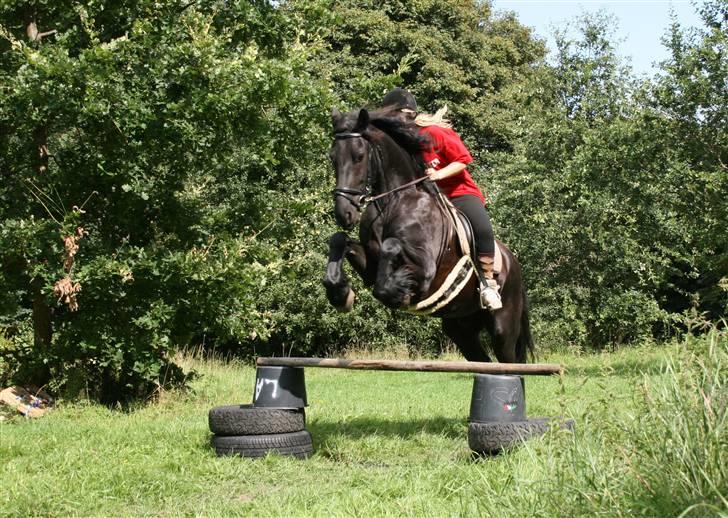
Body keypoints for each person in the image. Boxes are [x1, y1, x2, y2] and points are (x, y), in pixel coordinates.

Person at [381, 87, 502, 310]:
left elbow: (463, 159)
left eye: (397, 117)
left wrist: (438, 174)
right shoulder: (400, 143)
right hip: (427, 198)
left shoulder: (434, 132)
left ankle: (488, 283)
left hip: (458, 192)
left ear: (410, 115)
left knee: (482, 228)